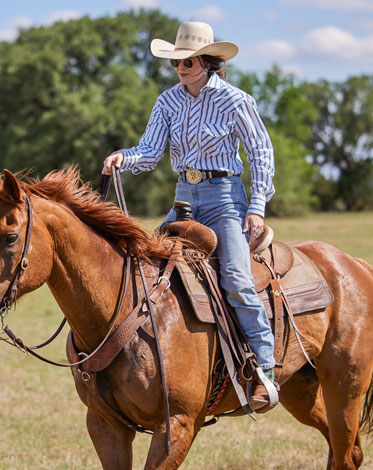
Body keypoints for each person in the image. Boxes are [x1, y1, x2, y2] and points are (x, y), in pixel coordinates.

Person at [102, 21, 278, 412]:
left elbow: (260, 153)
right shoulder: (167, 101)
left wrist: (257, 207)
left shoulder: (236, 101)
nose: (180, 66)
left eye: (188, 59)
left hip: (224, 198)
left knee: (235, 279)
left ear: (208, 61)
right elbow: (149, 152)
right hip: (184, 196)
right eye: (176, 60)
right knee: (142, 269)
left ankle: (265, 370)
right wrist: (123, 158)